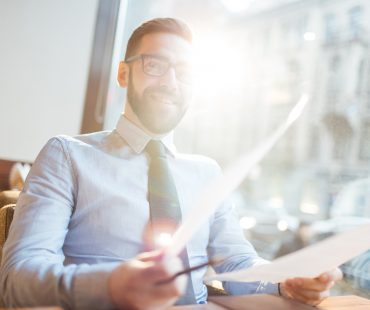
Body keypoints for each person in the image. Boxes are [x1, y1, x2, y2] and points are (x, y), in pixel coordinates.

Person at [0, 18, 342, 309]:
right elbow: (17, 279)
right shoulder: (67, 155)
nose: (170, 82)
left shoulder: (207, 172)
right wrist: (110, 284)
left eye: (185, 72)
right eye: (155, 65)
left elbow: (237, 264)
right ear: (123, 73)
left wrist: (286, 280)